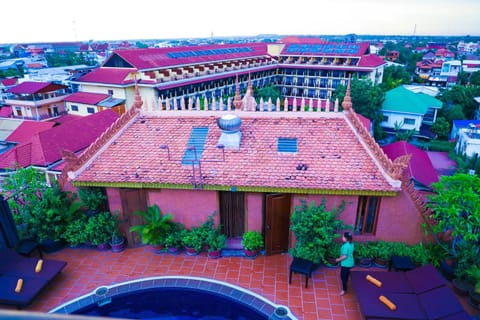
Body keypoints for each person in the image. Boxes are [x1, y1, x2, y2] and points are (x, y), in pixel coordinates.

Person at [335, 231, 354, 296]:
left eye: (343, 236)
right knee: (346, 275)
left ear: (346, 238)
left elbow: (344, 256)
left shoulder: (346, 246)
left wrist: (338, 260)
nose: (342, 237)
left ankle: (344, 289)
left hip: (346, 264)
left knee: (343, 276)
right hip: (350, 263)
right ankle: (345, 283)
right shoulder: (351, 244)